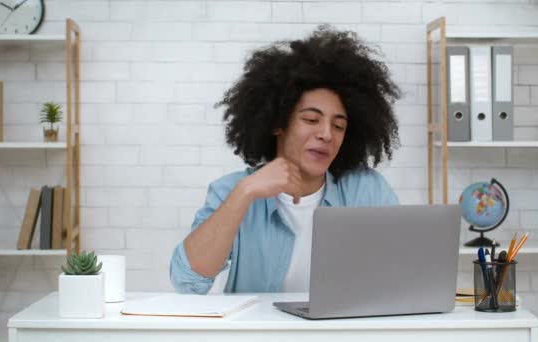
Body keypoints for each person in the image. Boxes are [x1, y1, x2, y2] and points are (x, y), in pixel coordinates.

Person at [170, 25, 401, 294]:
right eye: (311, 120)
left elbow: (400, 273)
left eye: (338, 126)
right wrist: (244, 193)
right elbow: (188, 282)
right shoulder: (231, 190)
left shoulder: (366, 191)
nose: (326, 134)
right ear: (278, 123)